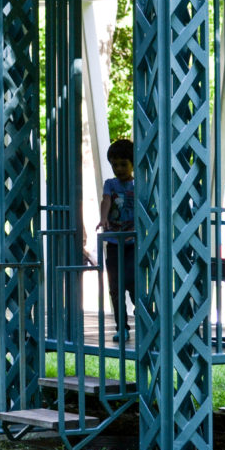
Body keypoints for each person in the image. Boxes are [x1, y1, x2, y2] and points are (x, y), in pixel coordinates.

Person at [97, 138, 135, 342]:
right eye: (115, 165)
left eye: (123, 164)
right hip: (114, 243)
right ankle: (122, 326)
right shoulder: (110, 184)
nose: (118, 169)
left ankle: (145, 317)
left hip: (133, 243)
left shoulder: (138, 185)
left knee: (134, 283)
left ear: (133, 163)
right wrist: (103, 218)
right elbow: (106, 200)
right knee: (115, 287)